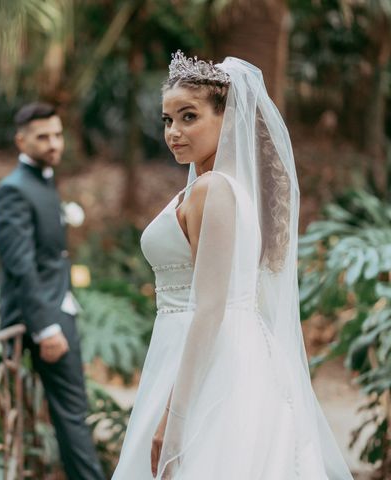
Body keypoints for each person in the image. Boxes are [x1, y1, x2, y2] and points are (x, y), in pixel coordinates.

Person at [112, 51, 353, 479]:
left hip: (211, 362)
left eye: (189, 117)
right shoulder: (222, 189)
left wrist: (175, 419)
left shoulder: (214, 191)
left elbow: (209, 308)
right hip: (212, 351)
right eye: (167, 120)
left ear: (226, 118)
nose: (174, 132)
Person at [0, 102, 105, 480]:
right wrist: (46, 328)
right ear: (20, 140)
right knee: (73, 414)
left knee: (72, 412)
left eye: (58, 135)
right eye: (43, 137)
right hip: (44, 320)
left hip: (57, 307)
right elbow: (20, 265)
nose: (54, 143)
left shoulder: (43, 179)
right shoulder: (13, 190)